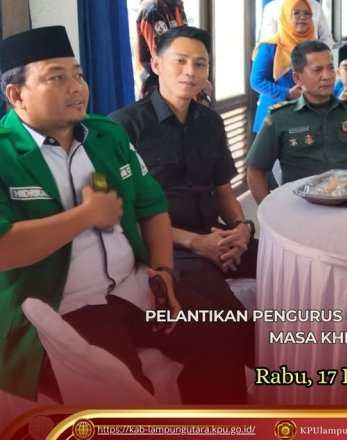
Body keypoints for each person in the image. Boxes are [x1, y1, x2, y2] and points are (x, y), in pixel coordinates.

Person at [0, 26, 246, 404]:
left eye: (78, 75)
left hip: (136, 286)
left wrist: (163, 271)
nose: (77, 88)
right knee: (125, 396)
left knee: (222, 336)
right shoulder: (5, 155)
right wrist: (85, 215)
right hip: (67, 306)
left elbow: (152, 206)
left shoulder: (106, 136)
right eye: (57, 78)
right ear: (16, 95)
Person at [110, 26, 256, 362]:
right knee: (232, 324)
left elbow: (223, 191)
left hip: (214, 234)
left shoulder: (211, 122)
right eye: (180, 61)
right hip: (169, 248)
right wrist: (195, 242)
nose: (191, 71)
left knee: (287, 268)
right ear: (156, 65)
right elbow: (123, 214)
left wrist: (241, 229)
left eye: (200, 64)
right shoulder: (123, 127)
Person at [245, 41, 347, 204]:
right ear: (298, 78)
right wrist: (269, 209)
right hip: (301, 207)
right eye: (317, 70)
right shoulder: (280, 118)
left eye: (330, 68)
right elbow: (255, 170)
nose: (327, 76)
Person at [135, 0, 200, 99]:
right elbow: (166, 64)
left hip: (179, 97)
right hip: (161, 102)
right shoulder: (153, 9)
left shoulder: (176, 5)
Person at [250, 0, 315, 132]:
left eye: (307, 13)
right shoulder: (270, 46)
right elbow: (256, 81)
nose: (302, 17)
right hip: (273, 118)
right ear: (285, 16)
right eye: (296, 13)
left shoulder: (315, 47)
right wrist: (287, 93)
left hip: (305, 116)